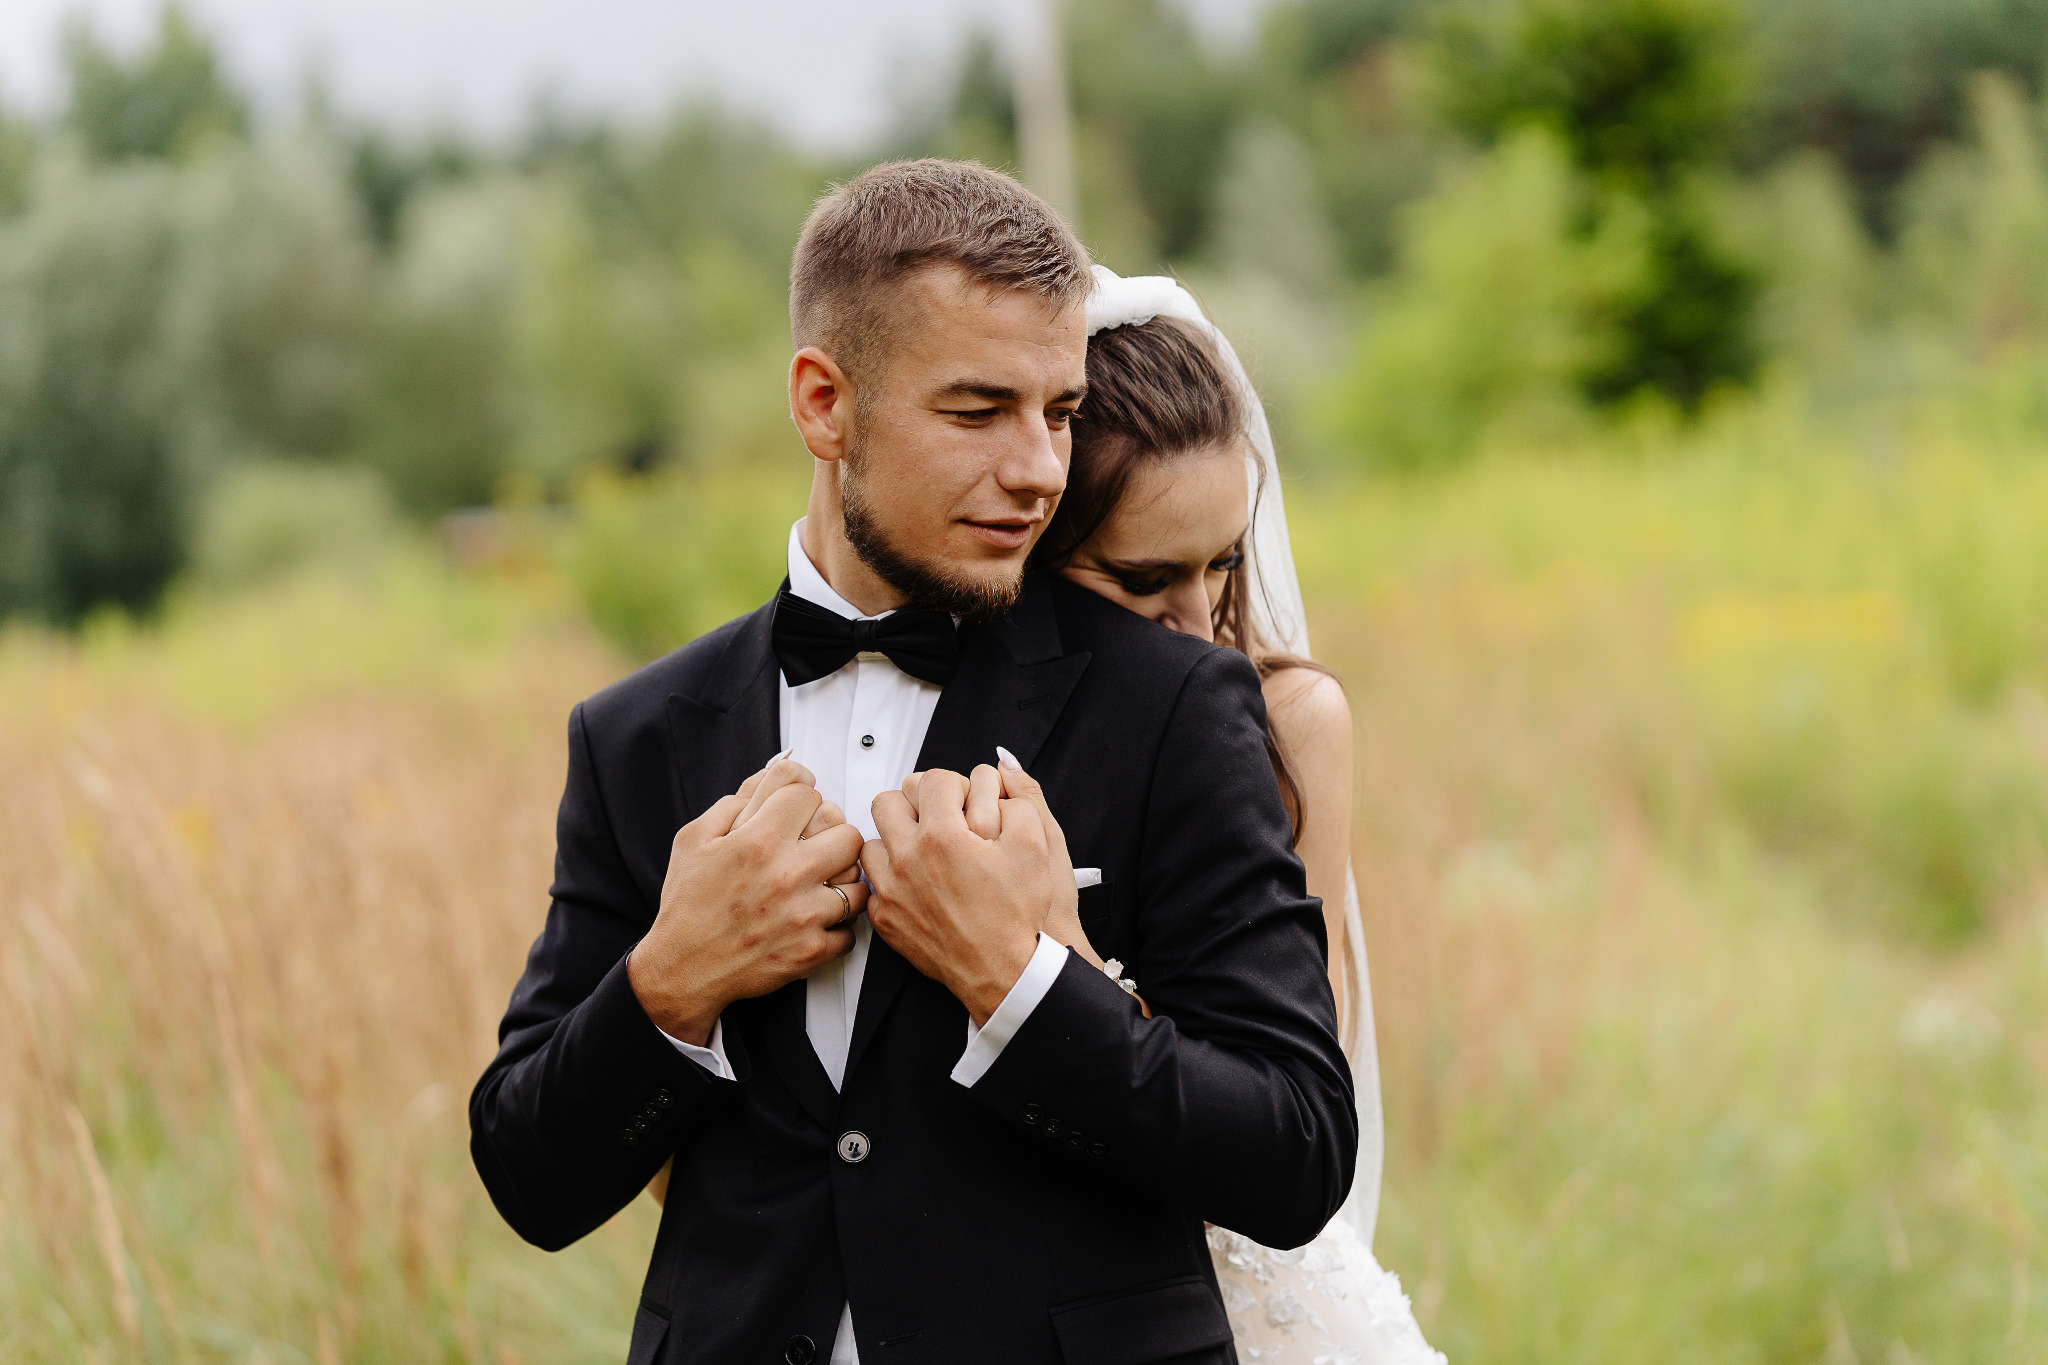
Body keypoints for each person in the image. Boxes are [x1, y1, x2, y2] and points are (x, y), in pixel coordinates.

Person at [468, 160, 1355, 1365]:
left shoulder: (1172, 706)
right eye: (978, 411)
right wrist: (670, 981)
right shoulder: (637, 733)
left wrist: (1022, 981)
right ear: (824, 404)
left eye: (1058, 412)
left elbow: (1296, 1153)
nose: (1040, 468)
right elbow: (530, 1178)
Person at [1031, 268, 1445, 1365]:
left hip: (1253, 1279)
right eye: (1141, 580)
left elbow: (1295, 1064)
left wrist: (1055, 975)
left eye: (1220, 569)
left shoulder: (1287, 722)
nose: (1194, 624)